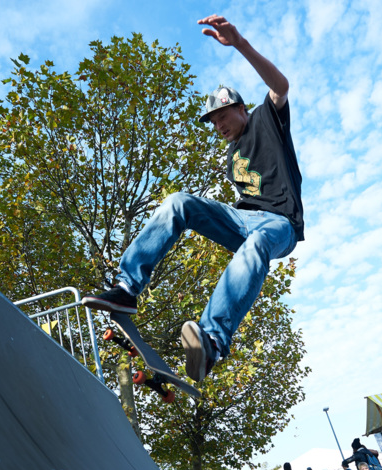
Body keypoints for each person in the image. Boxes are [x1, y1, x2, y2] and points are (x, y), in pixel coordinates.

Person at [81, 15, 304, 382]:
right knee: (178, 202)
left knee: (258, 242)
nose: (219, 126)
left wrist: (241, 45)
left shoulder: (267, 121)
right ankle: (125, 289)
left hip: (280, 224)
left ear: (241, 108)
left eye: (222, 116)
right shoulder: (232, 156)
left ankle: (212, 341)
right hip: (241, 220)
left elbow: (280, 86)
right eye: (213, 122)